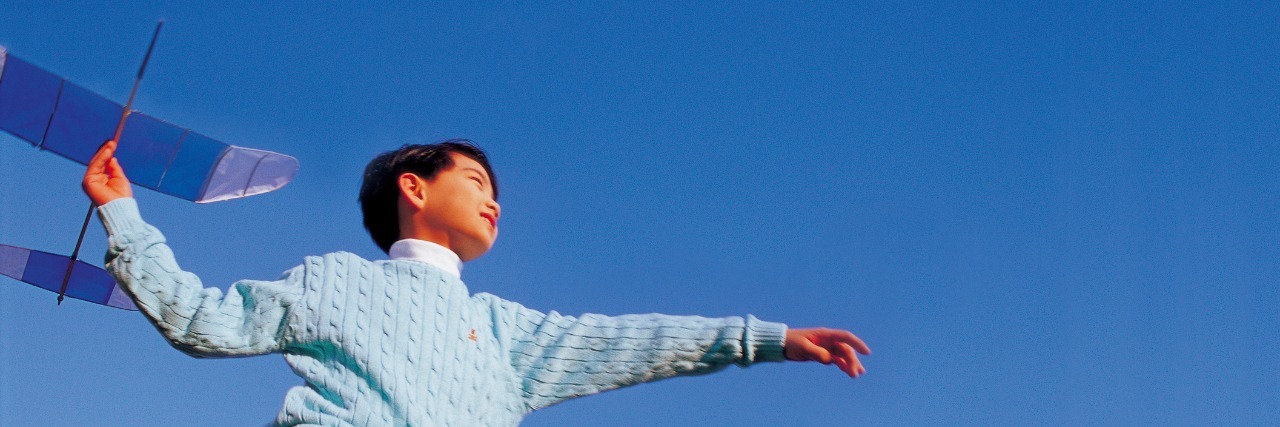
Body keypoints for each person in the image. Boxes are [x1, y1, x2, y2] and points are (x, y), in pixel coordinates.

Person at [83, 138, 871, 426]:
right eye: (475, 177)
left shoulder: (506, 333)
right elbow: (200, 320)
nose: (494, 196)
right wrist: (123, 213)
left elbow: (628, 340)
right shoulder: (329, 281)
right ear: (414, 189)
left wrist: (764, 340)